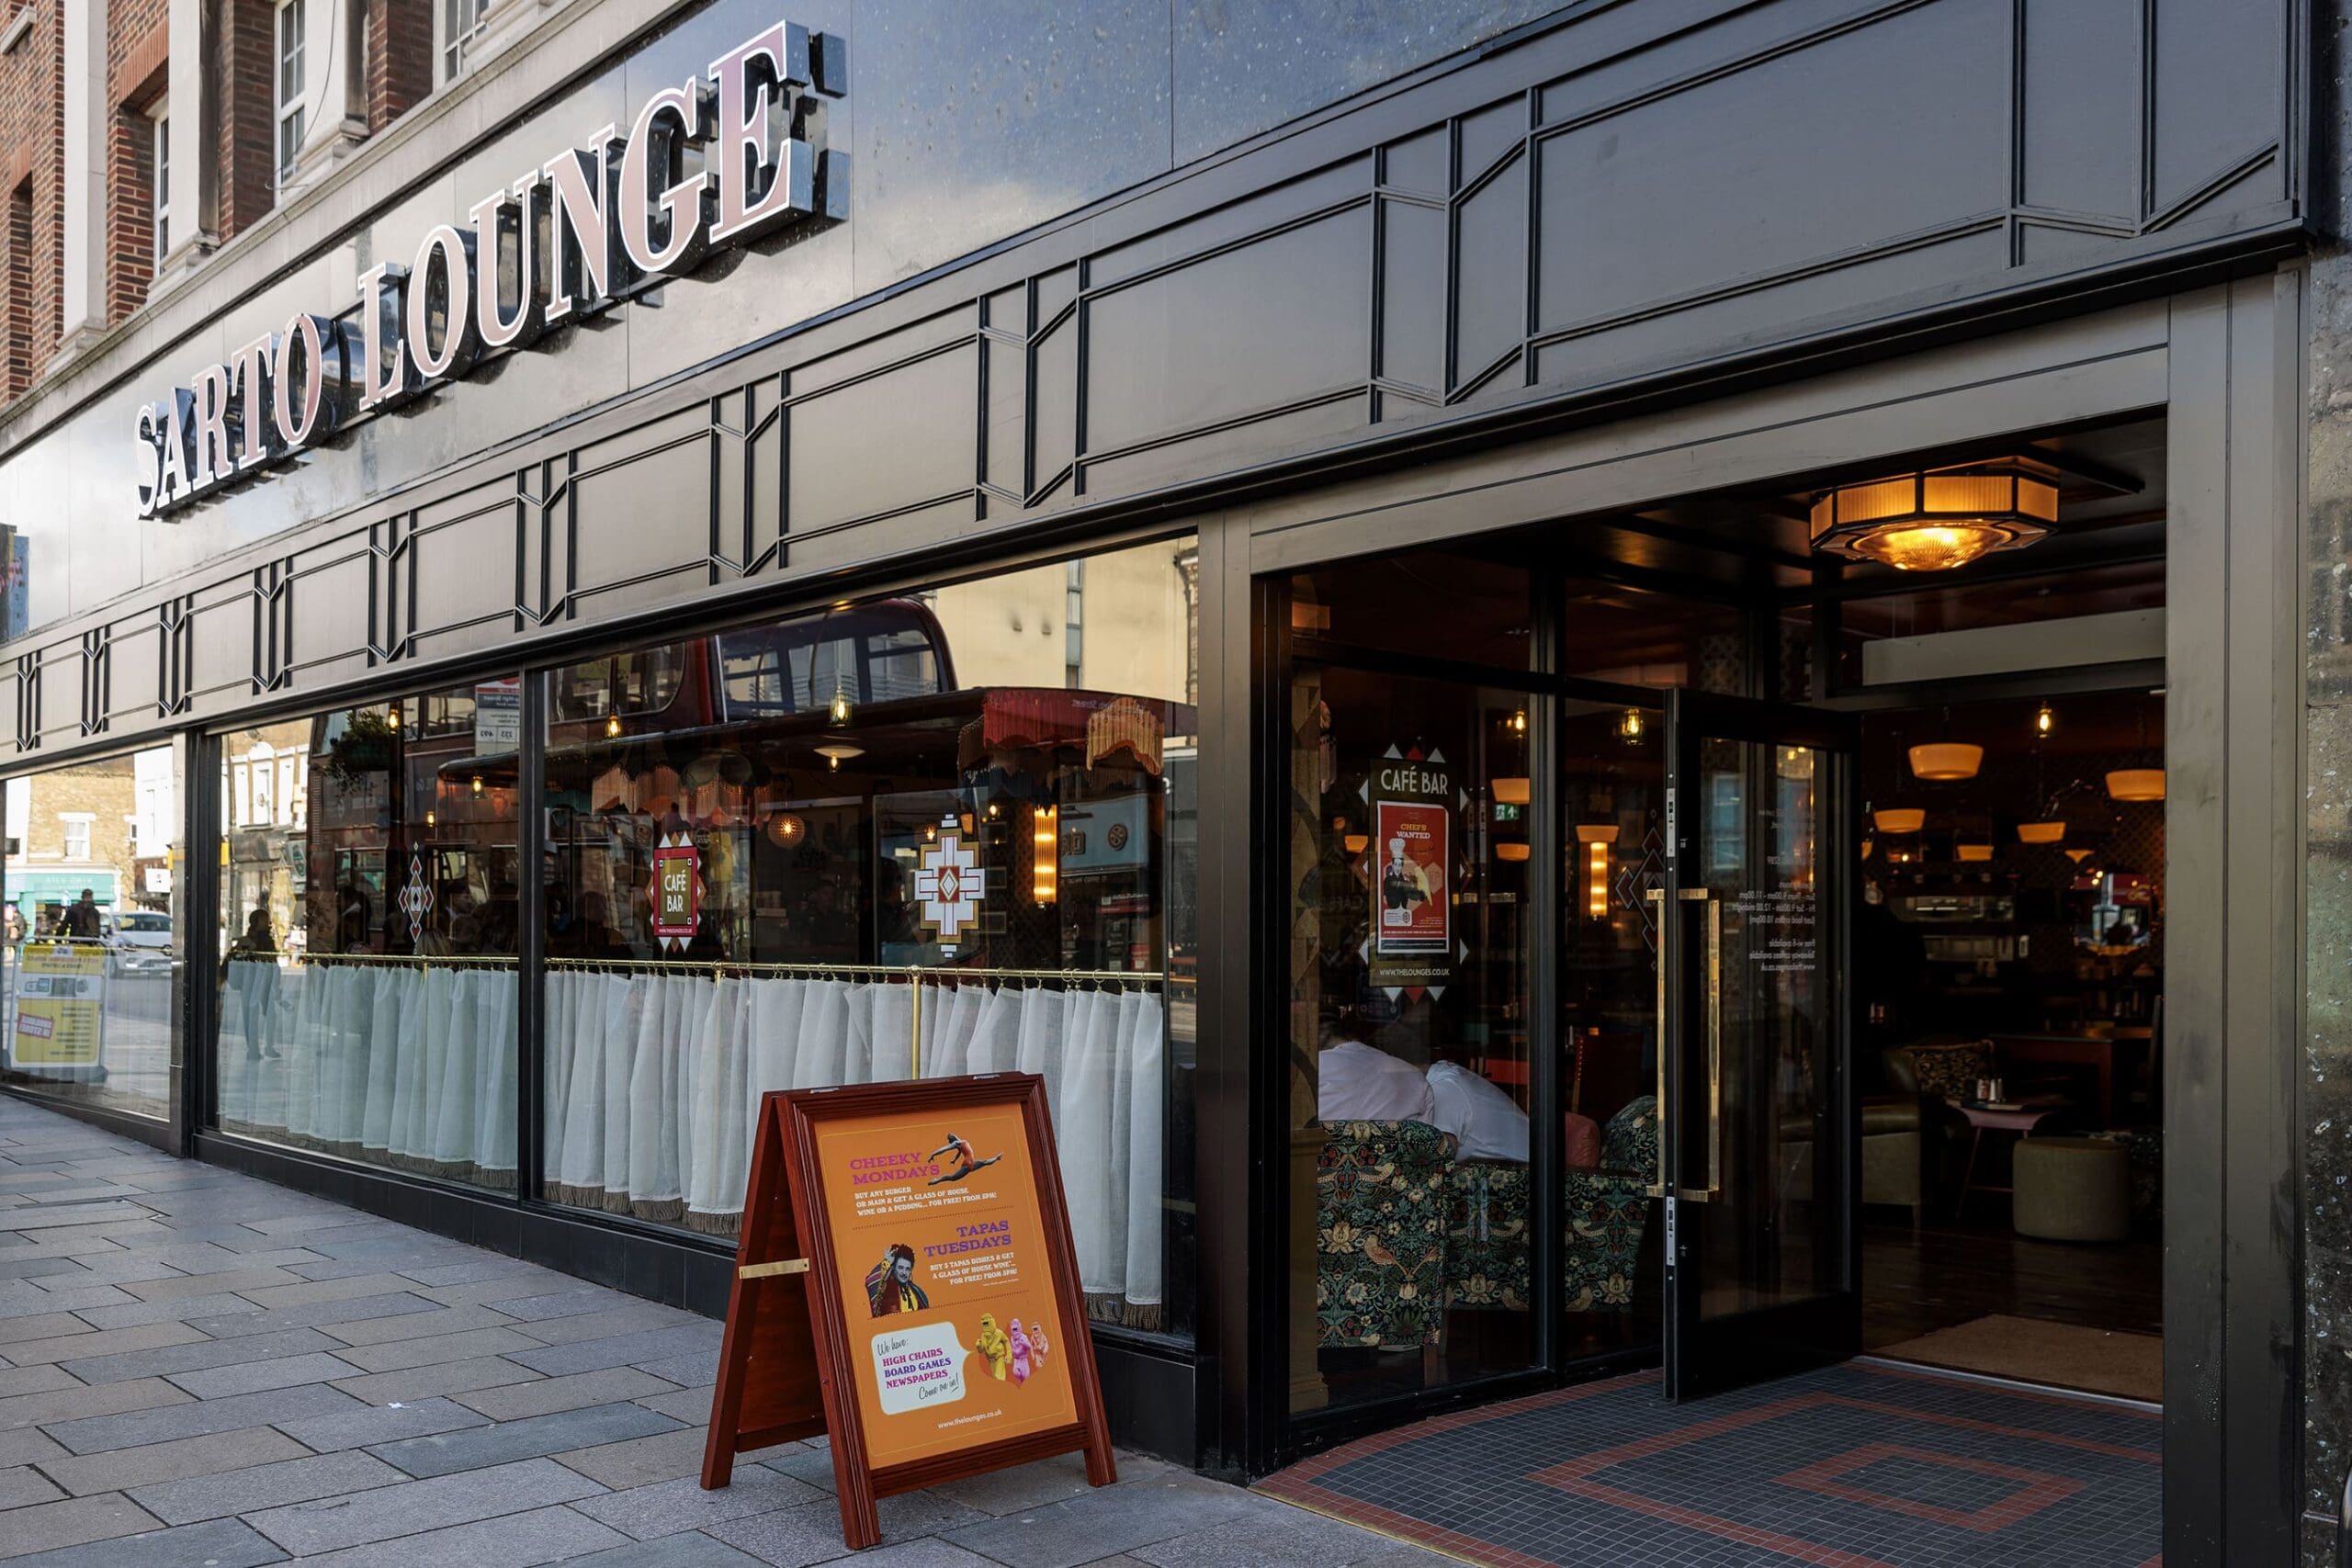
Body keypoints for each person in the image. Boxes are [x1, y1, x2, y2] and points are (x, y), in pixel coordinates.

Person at [1425, 1055, 1531, 1162]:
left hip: (1524, 1171)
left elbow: (1437, 1158)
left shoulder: (1443, 1087)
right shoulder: (1443, 1075)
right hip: (1510, 1166)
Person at [225, 908, 280, 1063]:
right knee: (251, 1015)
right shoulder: (247, 940)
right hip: (250, 982)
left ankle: (268, 1046)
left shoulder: (267, 939)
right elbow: (238, 959)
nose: (268, 922)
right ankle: (253, 1048)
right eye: (265, 919)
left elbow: (273, 960)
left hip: (265, 980)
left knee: (270, 1014)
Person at [865, 1244, 929, 1316]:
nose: (904, 1273)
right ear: (894, 1268)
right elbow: (871, 1281)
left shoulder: (917, 1292)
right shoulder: (886, 1289)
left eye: (907, 1269)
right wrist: (887, 1262)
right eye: (900, 1268)